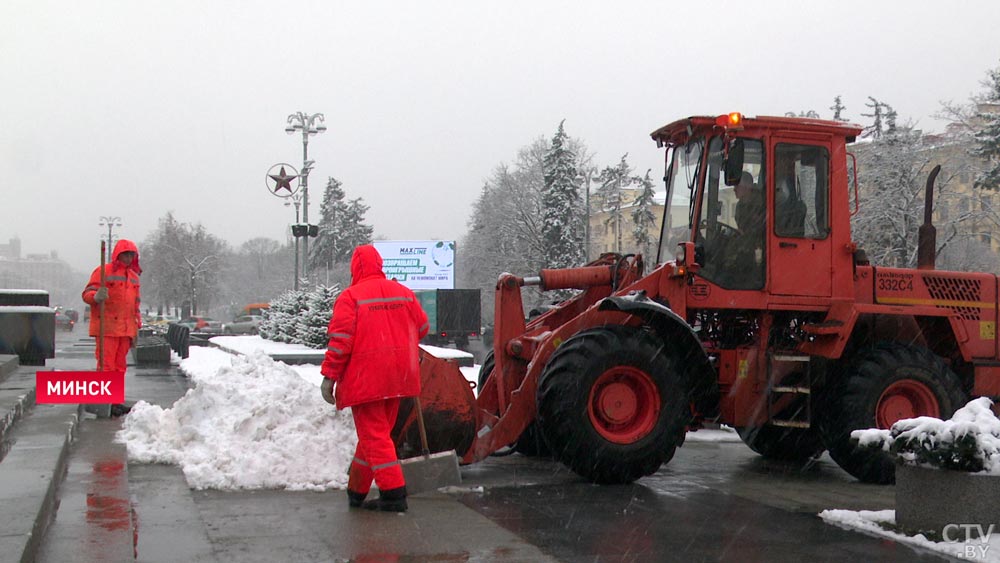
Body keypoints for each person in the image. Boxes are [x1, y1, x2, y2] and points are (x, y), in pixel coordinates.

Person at [320, 244, 430, 513]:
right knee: (376, 436)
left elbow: (340, 342)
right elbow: (423, 327)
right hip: (399, 377)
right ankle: (356, 491)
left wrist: (329, 377)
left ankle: (394, 495)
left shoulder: (350, 297)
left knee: (375, 436)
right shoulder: (403, 293)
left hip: (366, 379)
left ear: (354, 268)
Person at [81, 239, 142, 416]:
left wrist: (137, 324)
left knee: (120, 368)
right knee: (106, 366)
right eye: (126, 254)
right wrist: (96, 296)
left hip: (125, 329)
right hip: (107, 327)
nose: (129, 258)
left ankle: (114, 401)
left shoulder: (134, 277)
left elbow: (135, 304)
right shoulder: (103, 272)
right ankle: (104, 402)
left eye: (132, 254)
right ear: (118, 254)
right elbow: (87, 294)